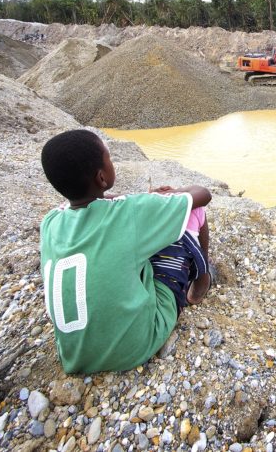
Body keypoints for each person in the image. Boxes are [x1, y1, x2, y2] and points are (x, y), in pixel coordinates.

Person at [39, 129, 213, 374]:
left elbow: (104, 202)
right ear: (101, 177)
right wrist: (168, 195)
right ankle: (203, 277)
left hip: (74, 355)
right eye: (109, 158)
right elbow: (203, 194)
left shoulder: (50, 221)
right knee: (194, 213)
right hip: (134, 346)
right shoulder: (129, 211)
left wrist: (146, 198)